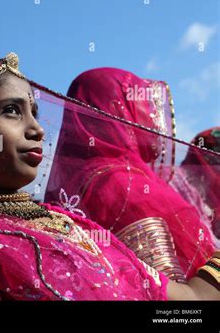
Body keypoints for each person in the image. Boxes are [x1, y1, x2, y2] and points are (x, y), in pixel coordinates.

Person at [0, 54, 220, 300]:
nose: (37, 129)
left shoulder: (70, 224)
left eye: (34, 112)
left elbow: (185, 300)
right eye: (11, 111)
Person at [45, 68, 216, 281]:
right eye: (145, 103)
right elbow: (168, 285)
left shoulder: (94, 180)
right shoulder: (122, 184)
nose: (154, 114)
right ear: (118, 107)